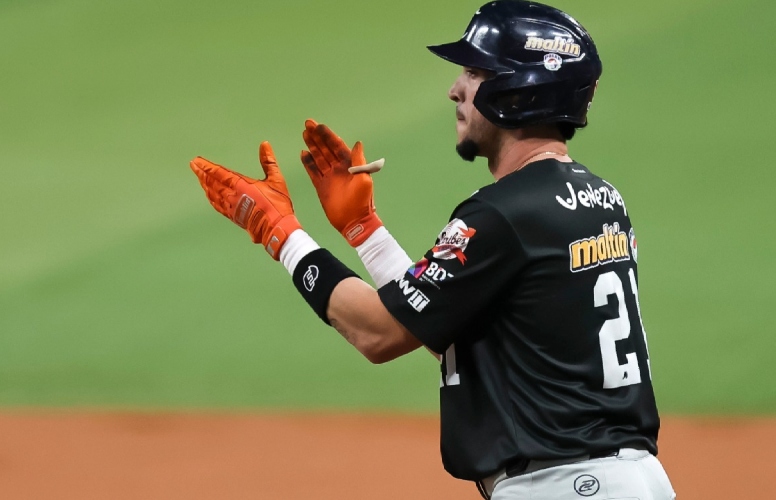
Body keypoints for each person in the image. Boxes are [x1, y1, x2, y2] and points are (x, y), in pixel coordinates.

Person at [189, 1, 677, 498]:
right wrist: (364, 230)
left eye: (475, 72)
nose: (455, 89)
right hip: (627, 480)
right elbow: (444, 325)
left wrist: (281, 234)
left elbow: (377, 332)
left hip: (562, 485)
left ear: (520, 89)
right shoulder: (600, 199)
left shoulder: (504, 213)